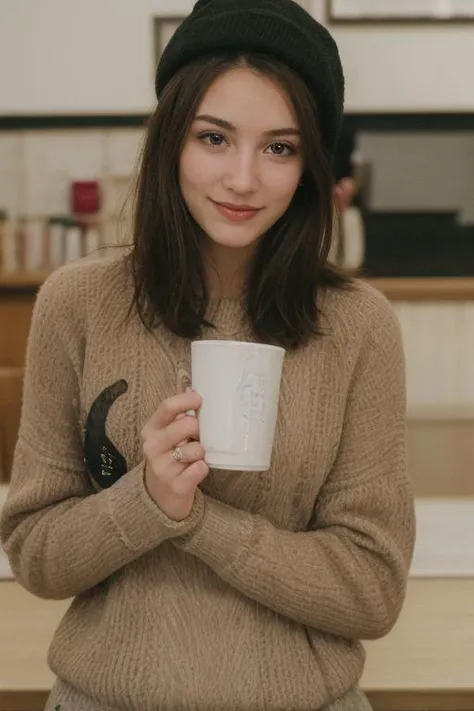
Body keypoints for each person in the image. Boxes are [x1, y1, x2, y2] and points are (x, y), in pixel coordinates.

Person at [0, 1, 415, 710]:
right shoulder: (78, 303)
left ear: (311, 166)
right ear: (170, 140)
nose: (243, 178)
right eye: (214, 138)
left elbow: (371, 588)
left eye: (280, 147)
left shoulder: (358, 327)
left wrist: (193, 517)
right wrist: (145, 498)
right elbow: (37, 553)